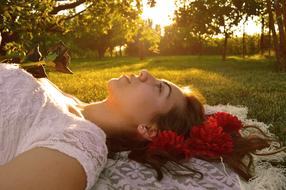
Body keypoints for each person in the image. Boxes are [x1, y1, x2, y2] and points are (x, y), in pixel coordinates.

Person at [0, 63, 282, 190]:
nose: (146, 73)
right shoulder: (64, 97)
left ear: (149, 129)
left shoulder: (83, 141)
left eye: (159, 89)